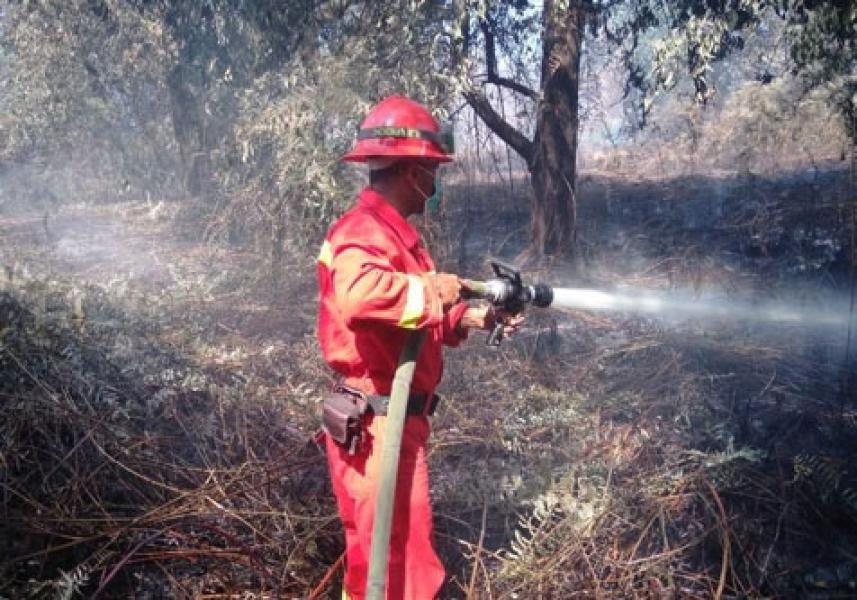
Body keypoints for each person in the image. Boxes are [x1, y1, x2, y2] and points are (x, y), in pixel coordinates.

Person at [316, 95, 521, 599]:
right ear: (411, 171)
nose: (435, 183)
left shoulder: (394, 236)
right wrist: (431, 291)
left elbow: (405, 320)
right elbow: (361, 298)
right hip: (379, 427)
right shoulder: (362, 232)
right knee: (399, 571)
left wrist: (471, 316)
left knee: (375, 564)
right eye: (433, 170)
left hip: (384, 422)